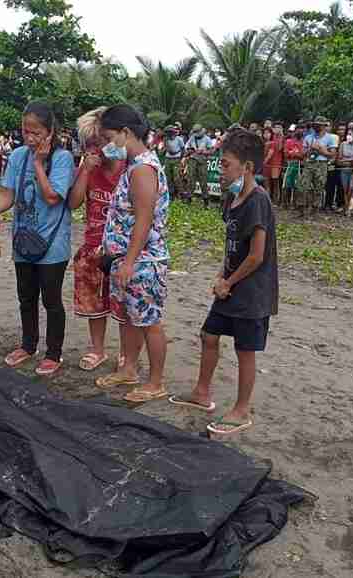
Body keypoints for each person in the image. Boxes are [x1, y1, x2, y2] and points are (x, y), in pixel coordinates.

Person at [168, 128, 277, 436]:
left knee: (245, 349)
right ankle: (202, 393)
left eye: (226, 164)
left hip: (252, 290)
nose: (221, 169)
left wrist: (228, 281)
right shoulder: (232, 199)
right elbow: (232, 244)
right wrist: (221, 275)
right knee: (209, 334)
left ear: (248, 168)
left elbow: (256, 255)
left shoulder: (258, 201)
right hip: (229, 284)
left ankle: (241, 410)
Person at [0, 101, 74, 376]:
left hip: (52, 244)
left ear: (50, 131)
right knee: (26, 297)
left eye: (36, 132)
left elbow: (52, 197)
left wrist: (38, 163)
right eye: (26, 131)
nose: (30, 137)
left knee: (51, 300)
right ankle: (28, 346)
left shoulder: (62, 159)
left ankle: (53, 353)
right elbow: (7, 197)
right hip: (24, 241)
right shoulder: (16, 157)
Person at [92, 104, 169, 403]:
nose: (108, 145)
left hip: (143, 262)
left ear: (126, 133)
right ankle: (129, 369)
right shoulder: (134, 166)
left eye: (110, 137)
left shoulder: (143, 169)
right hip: (125, 260)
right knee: (128, 318)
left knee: (149, 321)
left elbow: (144, 219)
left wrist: (129, 261)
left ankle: (156, 381)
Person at [69, 107, 127, 371]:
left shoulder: (131, 168)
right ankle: (98, 350)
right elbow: (74, 202)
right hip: (93, 245)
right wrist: (84, 170)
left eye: (102, 141)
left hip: (122, 249)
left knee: (125, 305)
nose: (98, 149)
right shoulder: (89, 167)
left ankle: (127, 352)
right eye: (92, 145)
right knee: (94, 303)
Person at [297, 116, 337, 217]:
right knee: (302, 186)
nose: (316, 126)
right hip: (309, 163)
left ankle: (315, 210)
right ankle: (301, 209)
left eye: (319, 125)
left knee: (319, 187)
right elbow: (302, 153)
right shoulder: (308, 137)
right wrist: (311, 148)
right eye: (315, 124)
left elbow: (332, 154)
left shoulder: (330, 138)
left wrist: (321, 151)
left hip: (321, 164)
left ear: (324, 126)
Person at [184, 124, 215, 207]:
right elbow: (187, 147)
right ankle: (189, 198)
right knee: (190, 179)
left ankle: (206, 201)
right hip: (192, 160)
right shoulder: (192, 138)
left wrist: (203, 152)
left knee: (203, 180)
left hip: (202, 161)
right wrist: (189, 150)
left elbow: (212, 151)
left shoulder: (207, 139)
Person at [339, 129, 353, 216]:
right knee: (345, 189)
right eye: (348, 134)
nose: (348, 136)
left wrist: (348, 160)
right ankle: (347, 207)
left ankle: (350, 207)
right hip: (344, 170)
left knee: (352, 189)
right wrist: (348, 161)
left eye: (350, 134)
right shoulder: (343, 144)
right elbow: (340, 158)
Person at [282, 125, 303, 207]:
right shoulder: (288, 141)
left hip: (298, 165)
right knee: (286, 184)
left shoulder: (303, 142)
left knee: (297, 185)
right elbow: (286, 154)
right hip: (289, 165)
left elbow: (302, 155)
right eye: (297, 130)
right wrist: (295, 154)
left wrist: (293, 153)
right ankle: (285, 202)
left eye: (301, 130)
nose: (299, 131)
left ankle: (294, 203)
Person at [263, 125, 284, 205]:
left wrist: (263, 162)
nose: (266, 134)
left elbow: (276, 150)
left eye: (268, 133)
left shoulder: (278, 139)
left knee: (275, 183)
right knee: (267, 183)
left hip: (275, 164)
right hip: (267, 165)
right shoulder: (264, 142)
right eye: (264, 133)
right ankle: (268, 201)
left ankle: (276, 201)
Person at [163, 125, 185, 198]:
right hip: (168, 158)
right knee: (168, 177)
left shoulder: (179, 139)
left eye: (170, 132)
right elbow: (165, 148)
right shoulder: (166, 139)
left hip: (176, 158)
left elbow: (183, 149)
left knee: (176, 177)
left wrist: (180, 158)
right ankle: (171, 194)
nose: (168, 134)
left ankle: (180, 193)